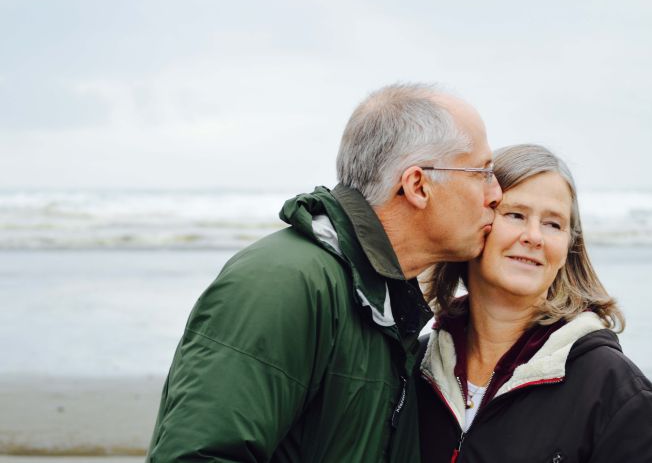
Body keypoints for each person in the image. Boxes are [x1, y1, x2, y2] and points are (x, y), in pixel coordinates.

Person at [146, 83, 502, 462]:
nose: (495, 193)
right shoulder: (284, 282)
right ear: (417, 185)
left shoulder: (383, 301)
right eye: (481, 172)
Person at [417, 144, 652, 462]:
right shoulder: (415, 366)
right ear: (477, 222)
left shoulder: (617, 392)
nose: (534, 236)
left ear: (569, 246)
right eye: (515, 215)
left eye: (553, 224)